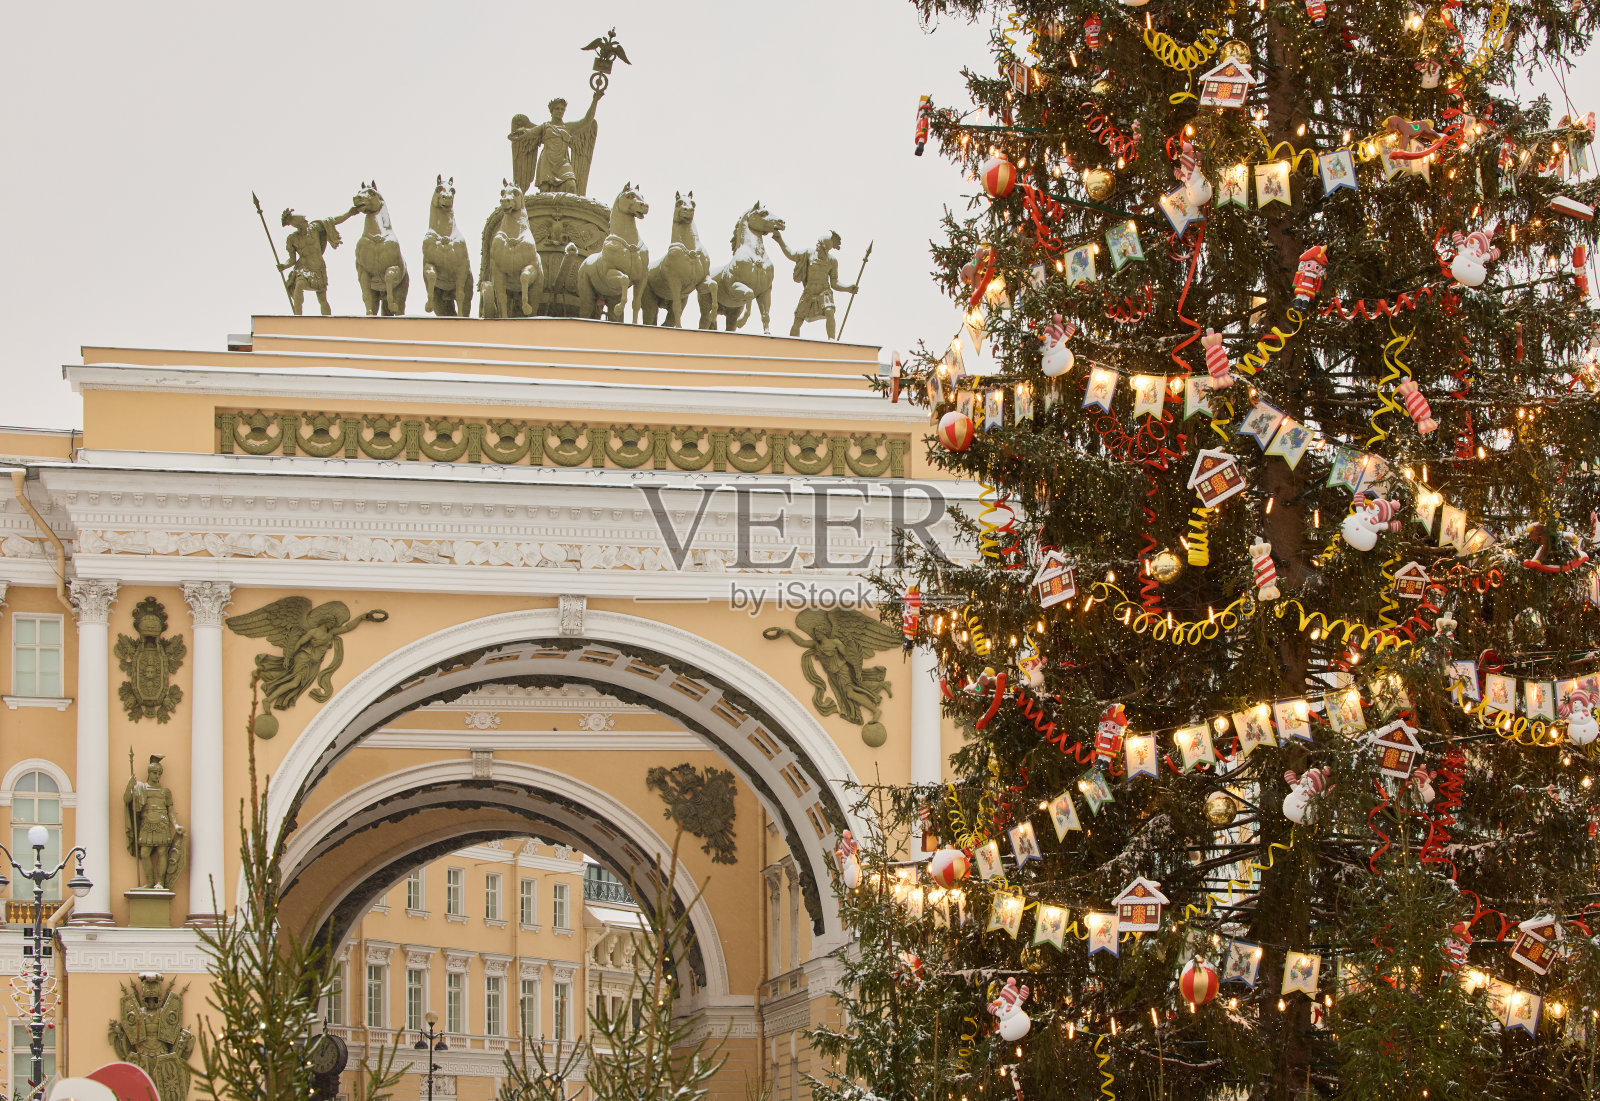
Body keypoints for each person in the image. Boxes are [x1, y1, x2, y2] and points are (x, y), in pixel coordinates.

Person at [509, 93, 602, 195]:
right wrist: (522, 133)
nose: (560, 111)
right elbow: (530, 132)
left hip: (563, 162)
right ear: (551, 111)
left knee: (571, 185)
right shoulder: (545, 126)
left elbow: (586, 121)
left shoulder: (568, 127)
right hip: (547, 162)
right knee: (546, 192)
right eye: (557, 108)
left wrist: (595, 101)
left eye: (562, 109)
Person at [774, 231, 858, 339]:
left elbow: (834, 283)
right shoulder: (808, 253)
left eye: (819, 244)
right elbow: (792, 255)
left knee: (829, 311)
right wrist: (780, 240)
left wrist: (848, 288)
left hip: (824, 291)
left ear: (824, 248)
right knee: (798, 319)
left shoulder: (832, 261)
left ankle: (831, 340)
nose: (816, 246)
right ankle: (793, 344)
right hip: (809, 291)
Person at [280, 206, 360, 315]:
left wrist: (349, 213)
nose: (305, 223)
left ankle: (327, 322)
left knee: (322, 298)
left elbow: (334, 221)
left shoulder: (314, 228)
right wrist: (284, 266)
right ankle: (297, 317)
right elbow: (292, 259)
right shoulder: (292, 238)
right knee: (299, 285)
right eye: (301, 222)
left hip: (318, 268)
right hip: (303, 267)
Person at [124, 754, 180, 889]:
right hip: (147, 822)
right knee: (144, 853)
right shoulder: (140, 787)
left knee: (162, 852)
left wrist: (176, 825)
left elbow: (170, 810)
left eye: (159, 773)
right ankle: (149, 883)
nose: (157, 776)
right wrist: (129, 787)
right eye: (155, 773)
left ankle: (160, 882)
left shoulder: (165, 791)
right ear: (149, 773)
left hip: (162, 822)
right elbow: (127, 800)